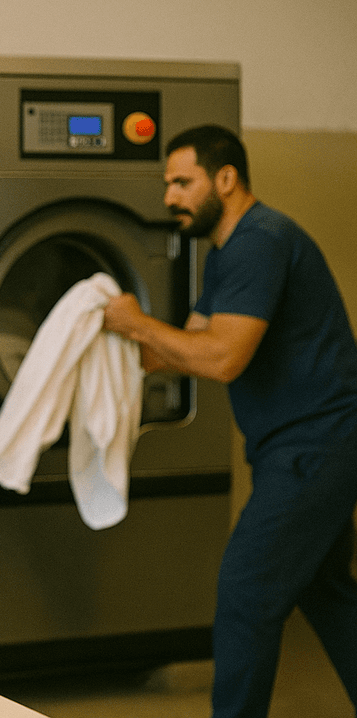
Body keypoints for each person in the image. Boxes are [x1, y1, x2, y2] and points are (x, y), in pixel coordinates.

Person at [102, 125, 357, 718]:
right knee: (328, 593)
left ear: (226, 178)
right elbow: (184, 348)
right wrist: (97, 338)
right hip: (304, 446)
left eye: (182, 182)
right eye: (167, 183)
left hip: (315, 445)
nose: (170, 196)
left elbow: (221, 357)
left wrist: (136, 321)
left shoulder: (259, 242)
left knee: (247, 592)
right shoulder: (225, 252)